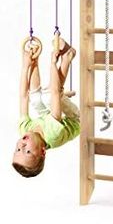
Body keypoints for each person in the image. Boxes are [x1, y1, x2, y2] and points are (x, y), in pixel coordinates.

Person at [12, 38, 80, 178]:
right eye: (28, 152)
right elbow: (55, 93)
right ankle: (68, 55)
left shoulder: (24, 129)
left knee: (36, 99)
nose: (22, 146)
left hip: (48, 116)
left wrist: (30, 64)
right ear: (43, 151)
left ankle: (63, 56)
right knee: (49, 97)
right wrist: (53, 63)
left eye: (18, 149)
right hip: (73, 119)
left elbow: (24, 96)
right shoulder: (53, 135)